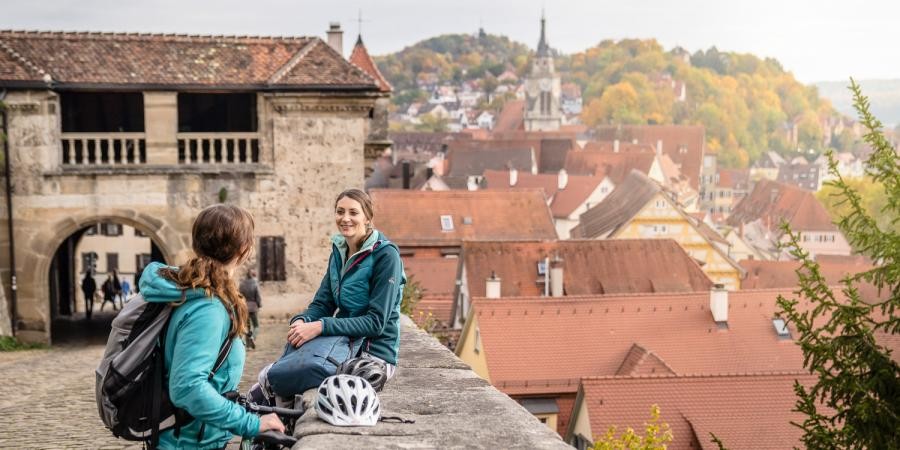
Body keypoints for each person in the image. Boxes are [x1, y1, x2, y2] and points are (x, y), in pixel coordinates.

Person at [139, 204, 284, 449]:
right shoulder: (209, 309)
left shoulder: (194, 292)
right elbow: (187, 387)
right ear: (244, 249)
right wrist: (250, 423)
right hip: (187, 443)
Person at [258, 189, 404, 401]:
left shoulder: (386, 256)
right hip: (343, 343)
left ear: (367, 217)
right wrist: (302, 320)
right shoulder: (339, 251)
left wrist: (320, 326)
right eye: (340, 211)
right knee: (272, 378)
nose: (345, 218)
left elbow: (376, 323)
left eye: (353, 212)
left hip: (372, 356)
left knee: (281, 382)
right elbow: (322, 303)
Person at [239, 269, 262, 350]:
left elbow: (239, 296)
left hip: (244, 307)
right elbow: (258, 296)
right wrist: (259, 305)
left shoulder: (242, 284)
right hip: (253, 307)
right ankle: (252, 337)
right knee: (256, 326)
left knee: (247, 327)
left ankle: (248, 346)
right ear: (252, 275)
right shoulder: (255, 284)